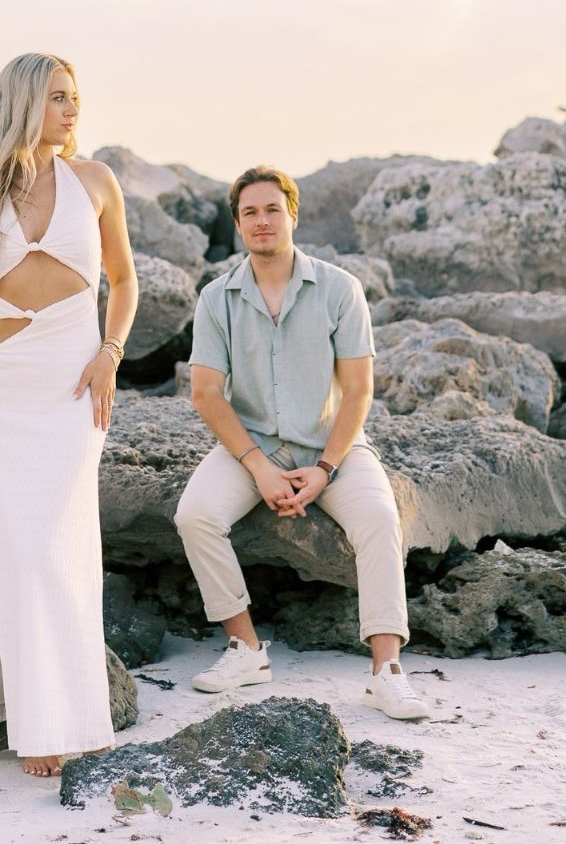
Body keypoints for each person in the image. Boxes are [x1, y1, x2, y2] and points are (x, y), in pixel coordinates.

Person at [0, 52, 138, 777]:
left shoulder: (96, 182)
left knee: (59, 548)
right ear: (23, 104)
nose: (72, 109)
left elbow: (124, 280)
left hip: (73, 385)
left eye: (74, 97)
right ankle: (33, 721)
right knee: (13, 552)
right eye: (58, 97)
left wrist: (111, 352)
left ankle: (71, 710)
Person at [174, 165, 429, 721]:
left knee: (379, 520)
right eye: (249, 212)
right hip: (252, 445)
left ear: (293, 214)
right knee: (195, 515)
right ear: (238, 224)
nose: (261, 220)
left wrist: (325, 469)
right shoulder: (216, 298)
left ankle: (387, 671)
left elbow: (359, 390)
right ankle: (245, 648)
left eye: (272, 209)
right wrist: (258, 466)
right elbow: (206, 393)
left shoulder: (340, 289)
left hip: (334, 445)